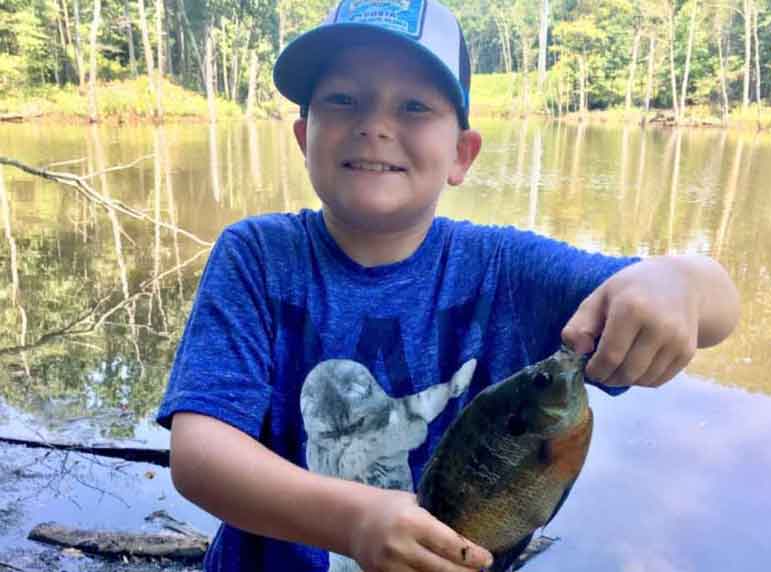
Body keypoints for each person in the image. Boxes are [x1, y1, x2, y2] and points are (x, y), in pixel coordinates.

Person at [157, 1, 740, 571]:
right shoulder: (257, 257)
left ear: (462, 154)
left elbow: (718, 305)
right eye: (343, 99)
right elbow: (201, 456)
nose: (374, 126)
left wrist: (679, 283)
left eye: (413, 106)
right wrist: (355, 522)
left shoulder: (509, 269)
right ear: (304, 135)